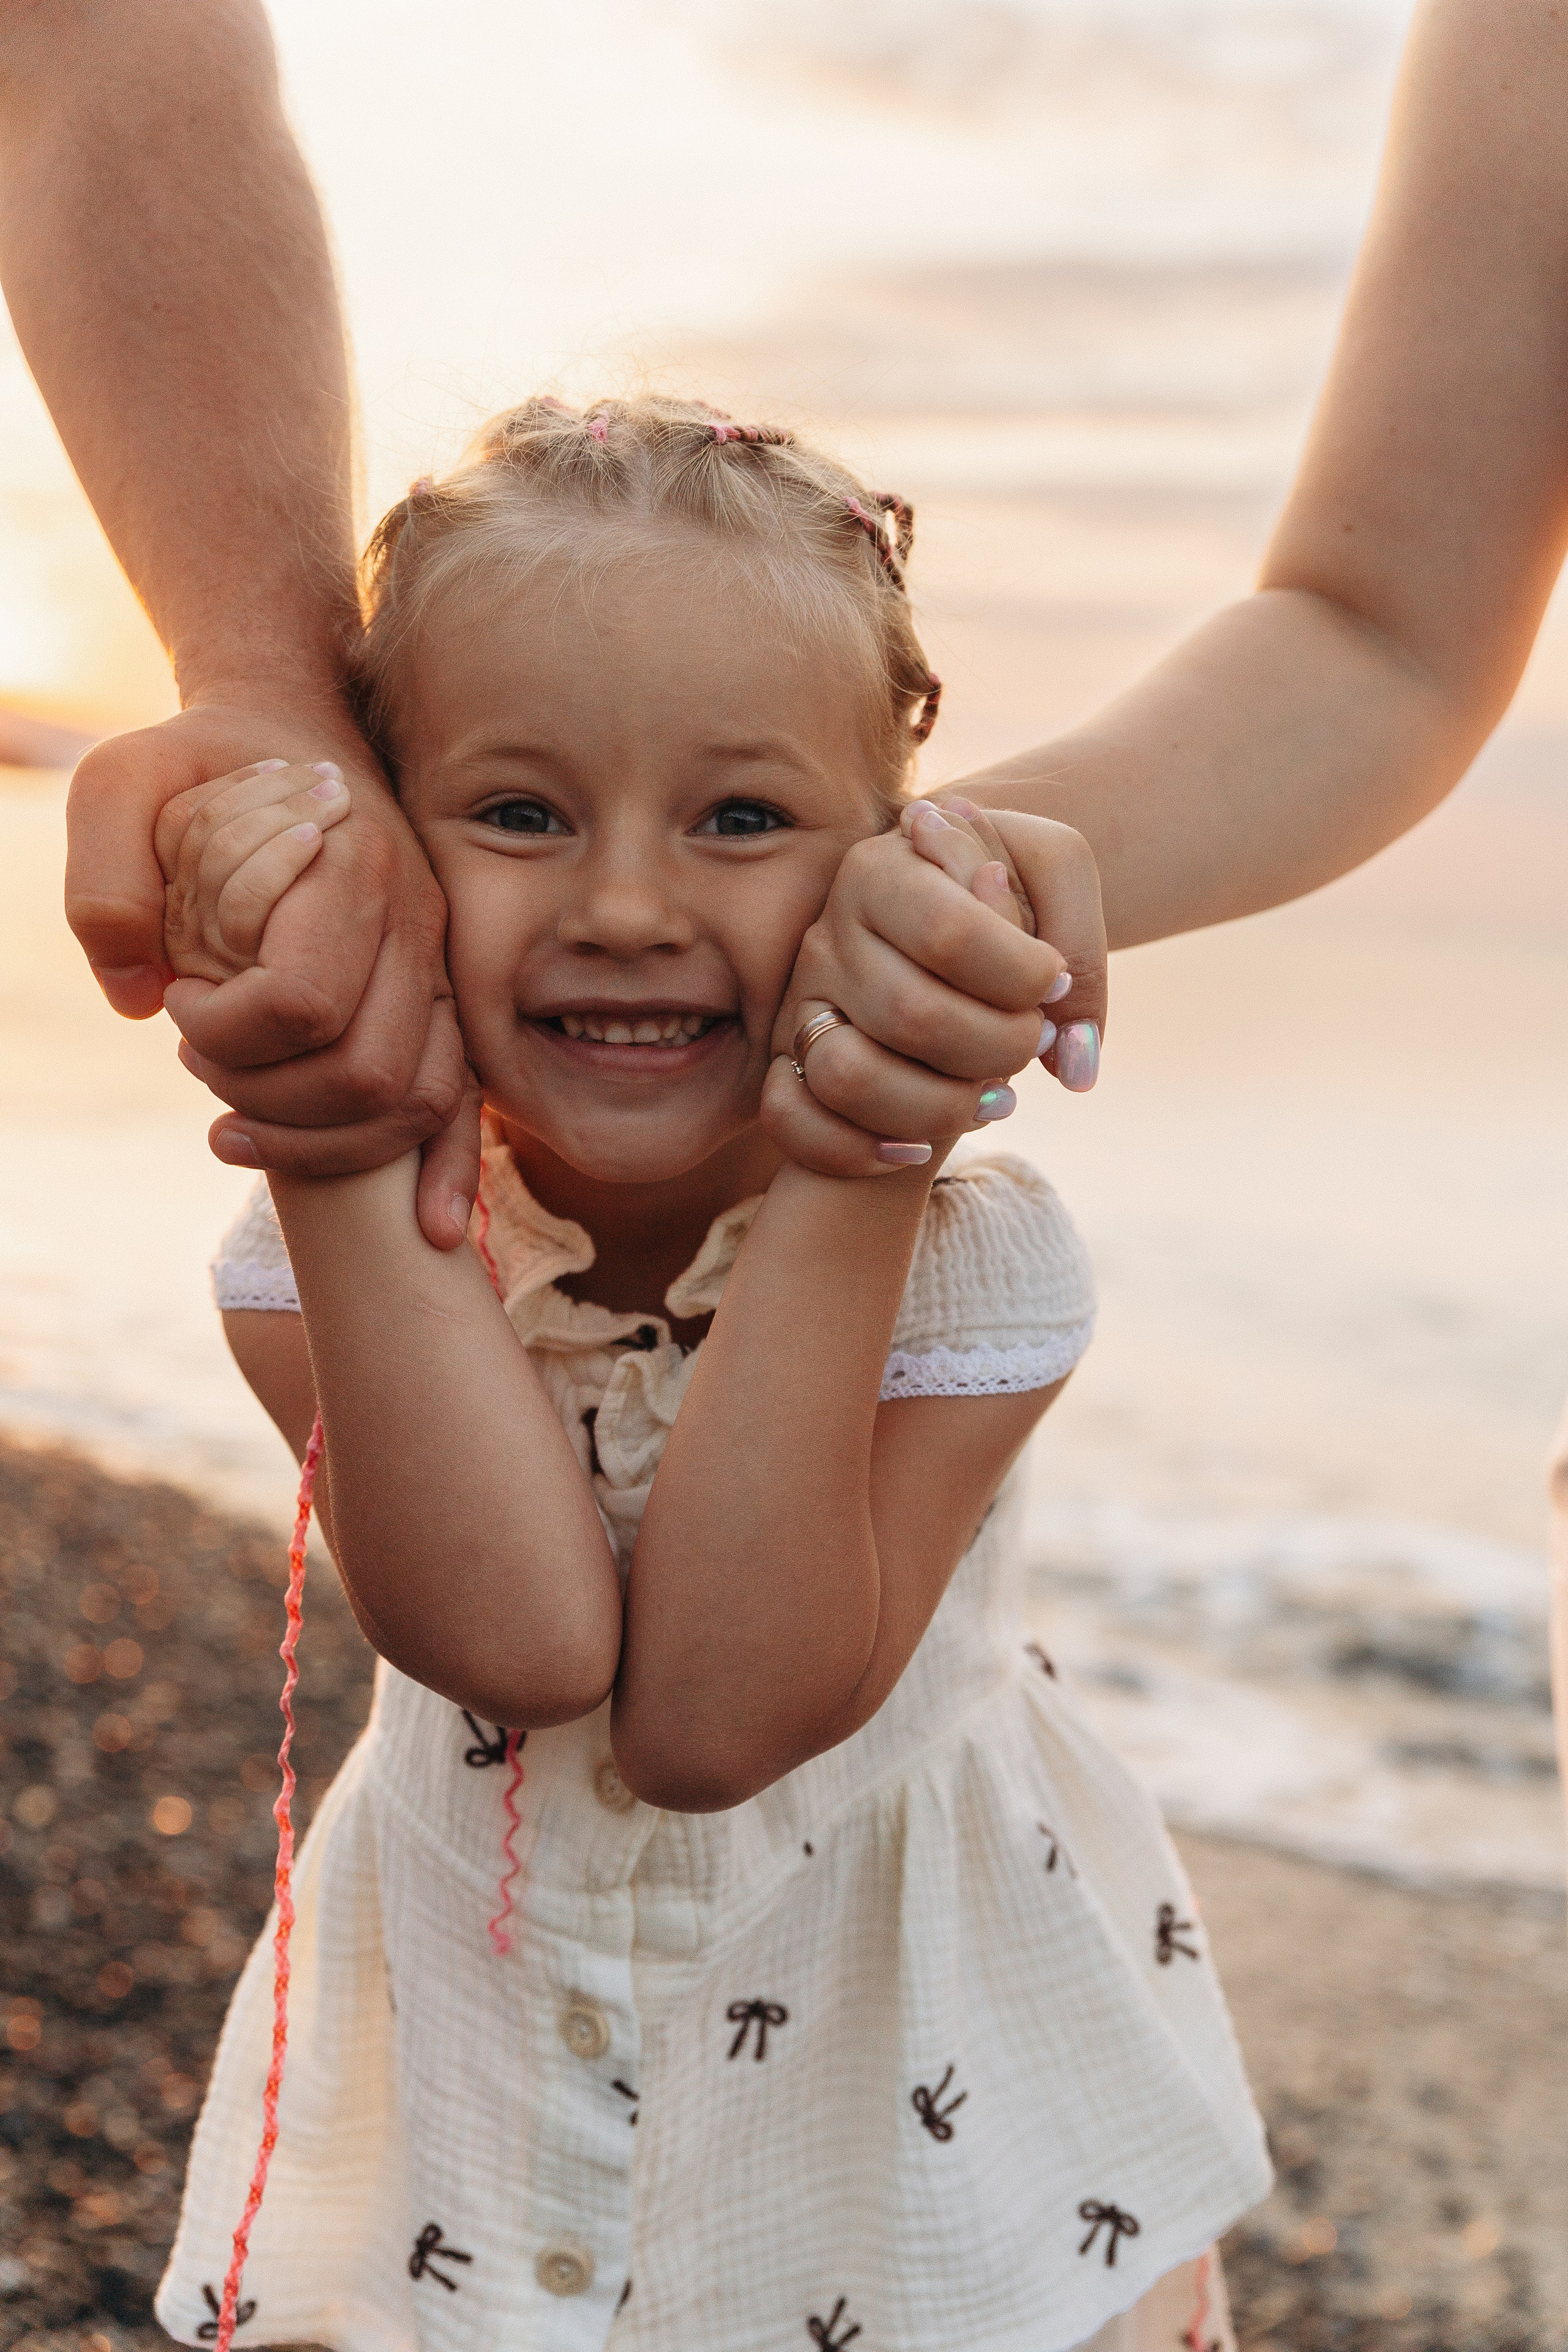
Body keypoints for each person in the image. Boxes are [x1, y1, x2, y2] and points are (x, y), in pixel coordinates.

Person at [153, 397, 1267, 2352]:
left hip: (907, 2102)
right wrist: (333, 1130)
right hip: (487, 2132)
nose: (630, 906)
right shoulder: (301, 1260)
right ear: (387, 849)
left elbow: (716, 1724)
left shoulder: (971, 1266)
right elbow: (513, 1641)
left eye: (744, 819)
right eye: (516, 814)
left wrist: (860, 1156)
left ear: (890, 855)